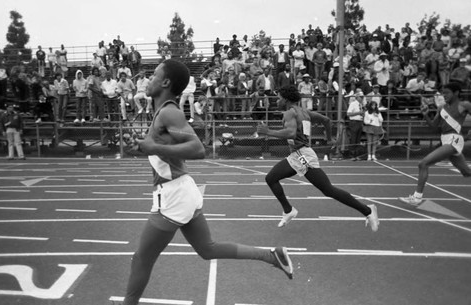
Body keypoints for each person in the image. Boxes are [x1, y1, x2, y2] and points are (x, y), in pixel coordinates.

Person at [121, 59, 293, 305]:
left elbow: (197, 148)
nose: (149, 79)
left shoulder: (169, 111)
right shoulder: (161, 113)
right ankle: (271, 256)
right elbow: (164, 153)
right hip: (183, 191)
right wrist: (140, 147)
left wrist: (152, 146)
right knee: (207, 249)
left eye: (154, 75)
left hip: (173, 196)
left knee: (141, 259)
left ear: (166, 82)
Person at [256, 85, 379, 231]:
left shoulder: (289, 113)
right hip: (298, 155)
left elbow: (291, 133)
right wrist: (328, 138)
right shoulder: (304, 112)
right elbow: (326, 120)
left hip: (302, 156)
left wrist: (268, 131)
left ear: (286, 99)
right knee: (271, 178)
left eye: (279, 98)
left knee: (328, 190)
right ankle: (288, 210)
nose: (277, 101)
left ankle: (368, 210)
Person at [399, 82, 471, 205]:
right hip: (445, 140)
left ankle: (417, 198)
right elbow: (433, 126)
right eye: (443, 93)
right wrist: (425, 115)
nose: (444, 95)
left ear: (456, 93)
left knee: (423, 164)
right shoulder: (441, 108)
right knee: (466, 172)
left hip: (454, 140)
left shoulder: (464, 105)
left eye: (447, 93)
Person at [347, 92, 365, 160]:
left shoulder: (361, 104)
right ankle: (352, 154)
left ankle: (356, 154)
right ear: (357, 97)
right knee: (353, 138)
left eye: (362, 97)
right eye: (360, 97)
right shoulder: (353, 104)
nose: (362, 98)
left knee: (358, 139)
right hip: (354, 122)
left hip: (360, 122)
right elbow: (348, 113)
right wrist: (358, 113)